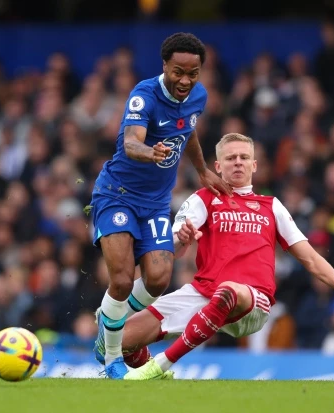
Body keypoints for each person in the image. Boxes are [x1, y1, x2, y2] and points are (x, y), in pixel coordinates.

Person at [107, 132, 334, 380]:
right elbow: (174, 252)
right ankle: (157, 379)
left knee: (227, 291)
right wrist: (182, 239)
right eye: (230, 158)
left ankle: (159, 367)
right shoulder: (203, 199)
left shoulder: (271, 206)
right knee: (122, 341)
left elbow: (309, 257)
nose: (238, 162)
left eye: (244, 157)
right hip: (205, 292)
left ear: (254, 165)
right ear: (217, 166)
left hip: (252, 299)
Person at [90, 32, 232, 379]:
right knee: (122, 282)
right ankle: (110, 358)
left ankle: (108, 319)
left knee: (157, 279)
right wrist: (150, 152)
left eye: (193, 73)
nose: (185, 80)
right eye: (178, 72)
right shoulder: (144, 95)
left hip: (155, 204)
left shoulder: (198, 95)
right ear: (165, 65)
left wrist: (201, 171)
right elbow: (131, 142)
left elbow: (190, 132)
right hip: (117, 194)